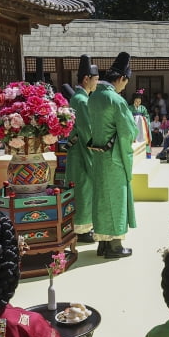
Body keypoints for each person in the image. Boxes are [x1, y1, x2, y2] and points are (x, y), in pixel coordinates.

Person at [87, 52, 139, 258]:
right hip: (114, 157)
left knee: (101, 198)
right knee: (116, 198)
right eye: (125, 83)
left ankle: (102, 243)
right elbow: (128, 131)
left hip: (98, 156)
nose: (125, 87)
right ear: (120, 78)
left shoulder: (94, 98)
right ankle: (115, 245)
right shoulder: (115, 100)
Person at [65, 55, 98, 242]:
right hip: (82, 152)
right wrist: (94, 156)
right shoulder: (83, 100)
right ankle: (83, 229)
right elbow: (87, 131)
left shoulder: (77, 98)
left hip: (75, 150)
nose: (97, 82)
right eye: (95, 79)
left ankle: (78, 226)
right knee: (84, 189)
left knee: (78, 189)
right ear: (86, 79)